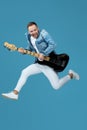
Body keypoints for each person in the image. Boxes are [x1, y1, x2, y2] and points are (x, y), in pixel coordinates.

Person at [2, 22, 80, 100]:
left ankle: (71, 75)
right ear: (29, 32)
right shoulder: (29, 37)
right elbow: (31, 48)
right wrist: (24, 51)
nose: (33, 32)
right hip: (39, 63)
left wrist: (44, 53)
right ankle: (15, 93)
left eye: (35, 30)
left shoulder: (44, 34)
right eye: (31, 31)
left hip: (48, 63)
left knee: (56, 86)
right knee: (24, 72)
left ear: (37, 28)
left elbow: (53, 44)